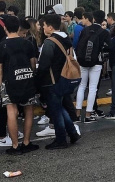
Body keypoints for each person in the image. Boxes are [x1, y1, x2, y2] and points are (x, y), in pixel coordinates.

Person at [37, 14, 80, 149]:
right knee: (60, 108)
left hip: (52, 81)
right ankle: (72, 132)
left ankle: (61, 140)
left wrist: (37, 81)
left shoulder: (50, 42)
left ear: (50, 27)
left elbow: (44, 65)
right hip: (64, 78)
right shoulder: (65, 38)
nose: (43, 28)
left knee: (56, 111)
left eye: (44, 25)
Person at [0, 16, 39, 155]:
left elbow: (0, 68)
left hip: (9, 82)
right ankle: (27, 142)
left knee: (11, 111)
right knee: (29, 110)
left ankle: (15, 145)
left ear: (5, 28)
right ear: (18, 28)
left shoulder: (2, 45)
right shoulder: (27, 43)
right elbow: (33, 64)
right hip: (27, 79)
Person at [76, 10, 110, 123]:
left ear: (93, 18)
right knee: (92, 88)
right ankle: (88, 115)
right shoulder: (104, 32)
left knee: (81, 86)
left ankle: (77, 114)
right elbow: (109, 47)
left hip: (82, 62)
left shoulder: (84, 30)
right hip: (96, 62)